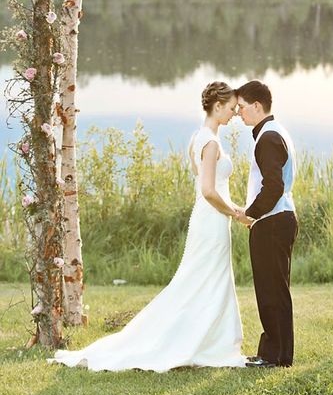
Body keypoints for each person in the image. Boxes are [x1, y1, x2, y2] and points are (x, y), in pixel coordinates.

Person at [47, 81, 247, 372]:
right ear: (217, 107)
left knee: (202, 279)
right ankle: (204, 342)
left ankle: (208, 339)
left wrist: (229, 209)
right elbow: (207, 190)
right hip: (213, 218)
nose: (234, 115)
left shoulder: (197, 138)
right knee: (202, 279)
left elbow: (204, 184)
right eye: (230, 109)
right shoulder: (212, 143)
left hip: (207, 217)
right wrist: (235, 212)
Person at [234, 80, 298, 368]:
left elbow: (273, 187)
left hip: (272, 222)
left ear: (257, 106)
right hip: (278, 219)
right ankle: (279, 355)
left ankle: (274, 356)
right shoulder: (275, 132)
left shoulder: (269, 138)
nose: (238, 114)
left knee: (271, 290)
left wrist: (251, 213)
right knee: (276, 288)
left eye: (242, 108)